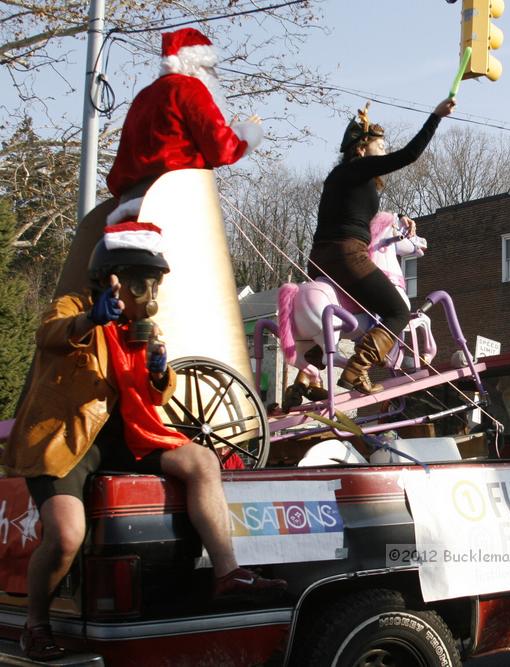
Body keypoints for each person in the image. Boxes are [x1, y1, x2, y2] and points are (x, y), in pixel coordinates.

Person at [2, 226, 285, 660]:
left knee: (202, 460)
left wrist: (158, 370)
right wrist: (89, 320)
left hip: (127, 435)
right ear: (111, 278)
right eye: (141, 282)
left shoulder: (141, 328)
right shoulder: (75, 308)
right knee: (66, 534)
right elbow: (51, 334)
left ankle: (228, 573)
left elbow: (155, 398)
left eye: (154, 283)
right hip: (67, 438)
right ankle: (35, 625)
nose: (150, 292)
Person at [307, 98, 455, 394]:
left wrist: (398, 219)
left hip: (319, 258)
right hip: (346, 254)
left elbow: (359, 216)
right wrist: (436, 116)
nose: (385, 150)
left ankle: (306, 373)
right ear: (361, 148)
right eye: (380, 146)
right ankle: (357, 370)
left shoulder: (341, 178)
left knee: (347, 316)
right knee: (398, 310)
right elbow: (409, 155)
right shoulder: (358, 168)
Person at [106, 27, 262, 222]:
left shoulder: (143, 96)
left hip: (129, 206)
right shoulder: (190, 88)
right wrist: (244, 133)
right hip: (175, 202)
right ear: (198, 65)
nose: (214, 76)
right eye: (211, 68)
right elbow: (221, 150)